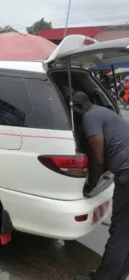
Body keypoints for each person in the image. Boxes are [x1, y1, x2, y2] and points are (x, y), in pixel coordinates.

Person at [73, 91, 129, 280]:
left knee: (119, 232)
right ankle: (119, 275)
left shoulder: (90, 117)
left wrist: (91, 185)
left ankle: (104, 278)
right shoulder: (102, 110)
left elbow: (97, 157)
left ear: (77, 107)